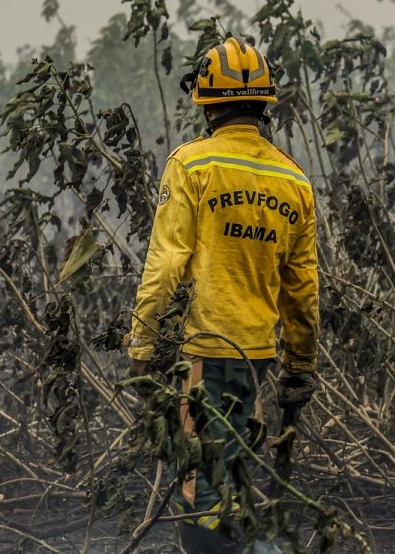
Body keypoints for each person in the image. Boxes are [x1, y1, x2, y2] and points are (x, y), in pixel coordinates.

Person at [126, 37, 320, 552]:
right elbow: (301, 286)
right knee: (229, 473)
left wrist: (142, 348)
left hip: (204, 353)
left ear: (207, 104)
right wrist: (299, 363)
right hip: (255, 354)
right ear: (262, 105)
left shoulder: (191, 165)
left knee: (200, 491)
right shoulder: (293, 179)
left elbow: (166, 263)